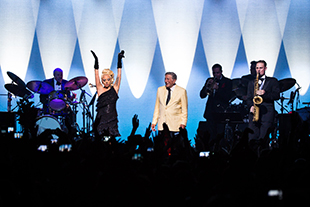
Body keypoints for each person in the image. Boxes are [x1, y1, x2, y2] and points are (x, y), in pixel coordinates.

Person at [246, 60, 280, 155]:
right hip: (254, 113)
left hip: (267, 113)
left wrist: (265, 94)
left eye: (261, 68)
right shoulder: (251, 83)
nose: (258, 70)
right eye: (257, 68)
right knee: (252, 137)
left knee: (263, 138)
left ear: (265, 68)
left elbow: (276, 95)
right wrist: (251, 106)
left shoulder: (273, 81)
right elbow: (248, 98)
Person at [91, 50, 124, 137]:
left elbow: (119, 76)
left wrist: (119, 60)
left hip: (112, 119)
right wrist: (96, 61)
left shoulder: (115, 89)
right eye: (104, 80)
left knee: (112, 142)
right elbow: (96, 75)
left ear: (111, 80)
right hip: (101, 120)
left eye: (108, 80)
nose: (106, 82)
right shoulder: (100, 89)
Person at [199, 63, 233, 149]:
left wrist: (218, 89)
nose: (216, 75)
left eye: (217, 73)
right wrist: (207, 85)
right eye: (214, 73)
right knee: (211, 134)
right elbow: (202, 95)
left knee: (219, 134)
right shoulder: (210, 80)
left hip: (221, 112)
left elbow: (227, 97)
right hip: (210, 111)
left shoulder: (227, 82)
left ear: (221, 72)